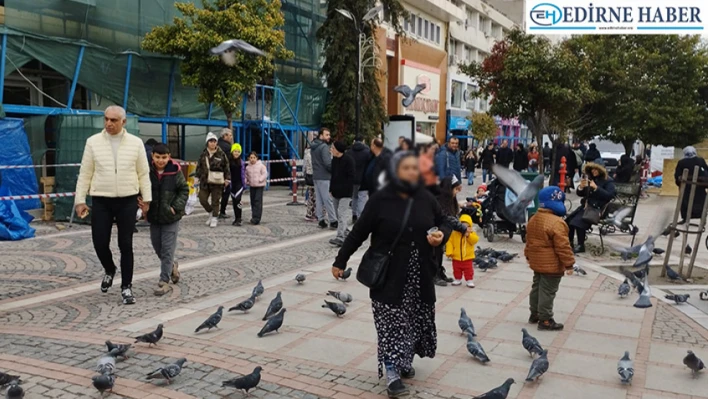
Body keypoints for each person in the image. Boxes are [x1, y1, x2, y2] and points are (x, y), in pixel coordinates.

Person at [332, 151, 448, 397]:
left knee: (414, 322)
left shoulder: (426, 198)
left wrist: (440, 236)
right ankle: (392, 371)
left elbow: (444, 221)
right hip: (389, 278)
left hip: (419, 277)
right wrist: (340, 260)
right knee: (392, 324)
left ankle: (404, 361)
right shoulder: (380, 200)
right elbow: (358, 233)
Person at [74, 105, 151, 305]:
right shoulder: (93, 142)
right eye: (106, 119)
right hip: (101, 200)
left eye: (113, 120)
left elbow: (143, 173)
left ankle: (126, 287)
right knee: (99, 242)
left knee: (125, 244)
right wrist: (80, 200)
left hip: (127, 199)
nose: (108, 123)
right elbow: (85, 173)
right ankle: (109, 269)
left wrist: (147, 200)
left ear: (123, 122)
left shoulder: (135, 143)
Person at [525, 186, 575, 331]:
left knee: (537, 288)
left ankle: (534, 314)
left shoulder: (534, 218)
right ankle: (545, 319)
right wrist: (569, 264)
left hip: (536, 261)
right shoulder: (557, 223)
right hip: (551, 264)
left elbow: (529, 240)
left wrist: (528, 256)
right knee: (547, 291)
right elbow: (563, 246)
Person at [142, 143, 189, 296]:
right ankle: (172, 266)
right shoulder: (146, 171)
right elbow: (140, 188)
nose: (160, 160)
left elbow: (184, 189)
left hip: (171, 217)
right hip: (154, 216)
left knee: (167, 249)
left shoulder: (175, 171)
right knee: (158, 247)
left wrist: (175, 207)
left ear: (169, 157)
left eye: (164, 157)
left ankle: (164, 281)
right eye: (157, 157)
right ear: (152, 156)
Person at [566, 162, 616, 254]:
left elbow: (610, 195)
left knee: (578, 222)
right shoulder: (591, 179)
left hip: (597, 209)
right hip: (586, 207)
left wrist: (596, 188)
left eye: (596, 169)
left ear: (601, 170)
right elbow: (581, 194)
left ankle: (581, 246)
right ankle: (570, 243)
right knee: (568, 220)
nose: (594, 171)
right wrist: (581, 187)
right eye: (592, 169)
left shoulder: (608, 181)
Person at [196, 132, 231, 228]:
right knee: (202, 199)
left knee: (215, 200)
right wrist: (196, 177)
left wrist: (227, 179)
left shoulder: (221, 154)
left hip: (217, 181)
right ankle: (211, 212)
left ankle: (215, 217)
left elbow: (226, 167)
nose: (212, 143)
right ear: (207, 142)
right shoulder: (203, 154)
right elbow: (199, 166)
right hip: (204, 181)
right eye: (210, 141)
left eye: (214, 141)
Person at [434, 176, 464, 286]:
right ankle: (434, 275)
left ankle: (439, 272)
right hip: (436, 233)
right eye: (455, 189)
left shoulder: (450, 201)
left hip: (443, 235)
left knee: (439, 253)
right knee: (435, 254)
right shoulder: (439, 201)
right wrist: (461, 227)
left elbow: (453, 216)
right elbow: (447, 217)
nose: (456, 192)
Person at [329, 141, 356, 246]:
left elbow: (351, 177)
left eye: (333, 148)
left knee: (342, 214)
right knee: (337, 214)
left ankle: (340, 237)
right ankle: (345, 232)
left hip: (345, 192)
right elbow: (333, 175)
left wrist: (347, 189)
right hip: (336, 192)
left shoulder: (349, 160)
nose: (331, 150)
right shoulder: (334, 160)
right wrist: (331, 189)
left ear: (338, 150)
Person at [311, 128, 337, 229]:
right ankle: (333, 220)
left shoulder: (313, 146)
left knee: (319, 199)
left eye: (329, 135)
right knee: (327, 199)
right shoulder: (324, 147)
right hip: (324, 176)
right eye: (327, 135)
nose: (329, 137)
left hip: (316, 175)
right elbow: (327, 163)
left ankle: (321, 219)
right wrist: (334, 170)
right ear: (321, 135)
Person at [674, 146, 708, 222]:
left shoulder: (682, 162)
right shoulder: (700, 160)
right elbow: (706, 171)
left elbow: (677, 176)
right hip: (699, 186)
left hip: (686, 188)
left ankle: (685, 218)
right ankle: (702, 218)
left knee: (686, 202)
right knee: (700, 202)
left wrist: (680, 182)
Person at [445, 213, 479, 287]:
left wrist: (468, 235)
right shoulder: (454, 233)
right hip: (456, 257)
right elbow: (450, 242)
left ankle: (469, 280)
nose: (464, 226)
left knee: (468, 270)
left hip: (468, 257)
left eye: (466, 224)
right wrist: (449, 251)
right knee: (456, 269)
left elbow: (475, 240)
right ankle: (457, 279)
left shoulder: (471, 232)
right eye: (462, 224)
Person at [348, 137, 371, 223]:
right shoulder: (367, 152)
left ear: (354, 141)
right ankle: (360, 216)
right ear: (363, 141)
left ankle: (354, 215)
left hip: (352, 179)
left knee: (354, 196)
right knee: (362, 198)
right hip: (363, 179)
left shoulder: (349, 152)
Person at [245, 152, 267, 225]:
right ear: (249, 158)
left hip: (259, 186)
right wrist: (246, 181)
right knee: (253, 201)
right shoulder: (248, 167)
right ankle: (253, 216)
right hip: (252, 186)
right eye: (251, 158)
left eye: (254, 158)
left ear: (256, 158)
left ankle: (257, 218)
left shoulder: (261, 166)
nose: (252, 159)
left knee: (258, 201)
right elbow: (246, 175)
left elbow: (265, 173)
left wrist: (260, 179)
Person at [228, 143, 247, 226]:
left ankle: (239, 218)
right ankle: (236, 217)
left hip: (239, 184)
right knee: (234, 201)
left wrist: (244, 184)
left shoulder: (242, 162)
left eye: (238, 151)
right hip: (232, 184)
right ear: (232, 152)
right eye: (235, 151)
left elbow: (243, 174)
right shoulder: (228, 162)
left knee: (238, 200)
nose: (236, 153)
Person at [217, 128, 234, 219]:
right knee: (225, 193)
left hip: (215, 173)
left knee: (215, 193)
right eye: (230, 135)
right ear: (225, 136)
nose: (231, 137)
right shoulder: (227, 147)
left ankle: (214, 211)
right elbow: (229, 162)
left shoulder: (216, 144)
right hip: (224, 173)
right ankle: (222, 211)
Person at [303, 144, 318, 222]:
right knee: (317, 197)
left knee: (310, 196)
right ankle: (316, 214)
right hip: (317, 176)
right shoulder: (317, 154)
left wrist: (304, 174)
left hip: (309, 176)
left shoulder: (307, 153)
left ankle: (309, 214)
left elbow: (304, 166)